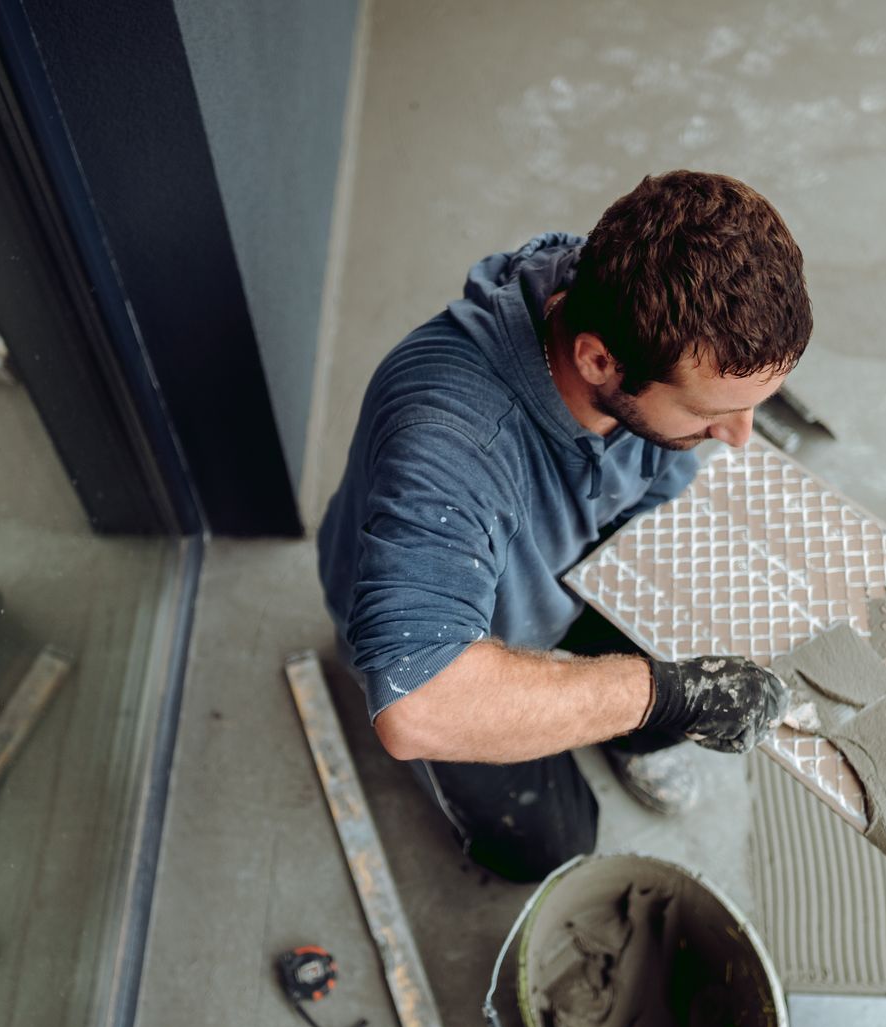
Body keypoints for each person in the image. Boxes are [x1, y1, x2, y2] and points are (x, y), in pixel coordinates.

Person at [318, 170, 814, 882]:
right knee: (553, 845)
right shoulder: (454, 443)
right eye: (712, 412)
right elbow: (417, 703)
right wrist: (663, 694)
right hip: (462, 635)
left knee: (699, 630)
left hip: (562, 562)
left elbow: (668, 472)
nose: (740, 437)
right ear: (598, 360)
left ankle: (629, 721)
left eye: (754, 405)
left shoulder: (631, 299)